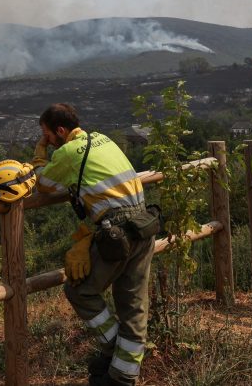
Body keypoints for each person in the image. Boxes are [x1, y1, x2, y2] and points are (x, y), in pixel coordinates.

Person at [32, 103, 155, 386]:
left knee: (80, 291)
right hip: (143, 225)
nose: (47, 140)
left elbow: (44, 184)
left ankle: (113, 349)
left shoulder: (68, 152)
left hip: (118, 231)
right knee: (133, 305)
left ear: (60, 131)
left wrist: (40, 156)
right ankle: (124, 376)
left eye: (47, 134)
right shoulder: (103, 139)